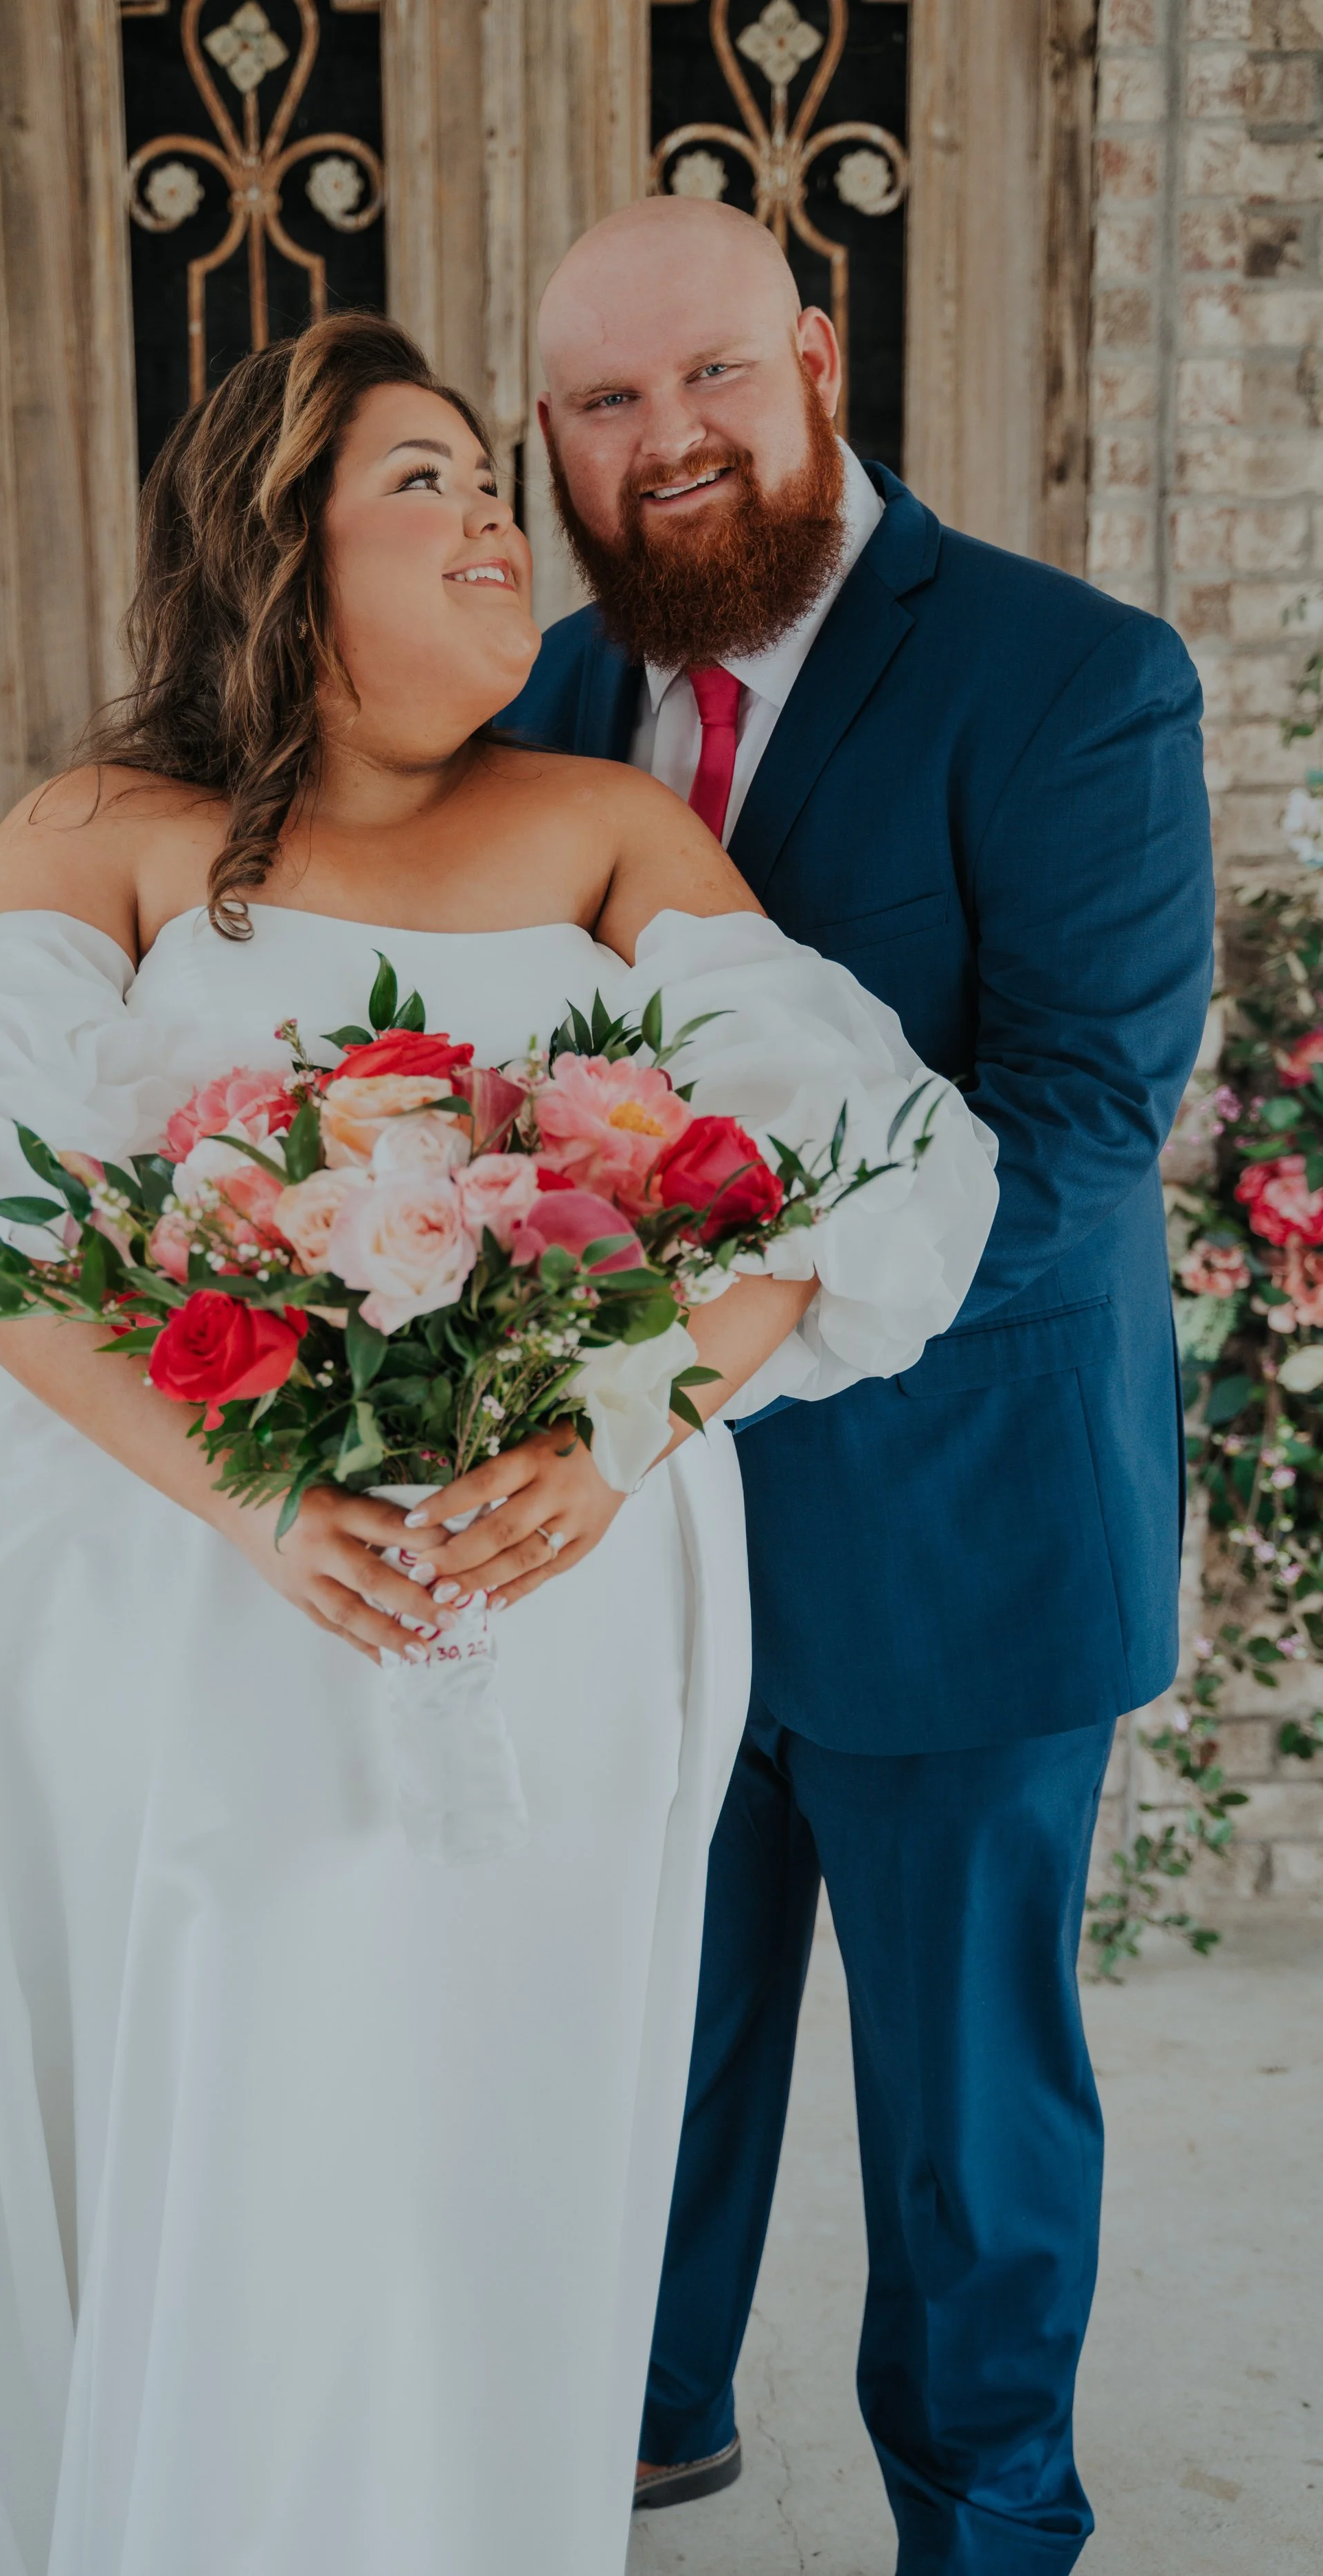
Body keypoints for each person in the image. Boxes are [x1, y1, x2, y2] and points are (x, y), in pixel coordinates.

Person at [0, 314, 994, 2576]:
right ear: (281, 554)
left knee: (471, 2118)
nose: (492, 527)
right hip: (168, 1585)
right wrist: (247, 1485)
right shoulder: (117, 827)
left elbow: (871, 1163)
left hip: (548, 1591)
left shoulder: (601, 824)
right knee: (216, 2081)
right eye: (423, 484)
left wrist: (635, 1419)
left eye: (483, 482)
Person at [502, 196, 1215, 2571]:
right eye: (602, 404)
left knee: (962, 2109)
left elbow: (1081, 1133)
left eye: (704, 374)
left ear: (815, 356)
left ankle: (990, 2518)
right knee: (650, 2036)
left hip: (969, 1527)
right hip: (644, 1555)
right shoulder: (538, 703)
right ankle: (642, 2410)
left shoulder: (1069, 675)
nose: (663, 440)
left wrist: (685, 1370)